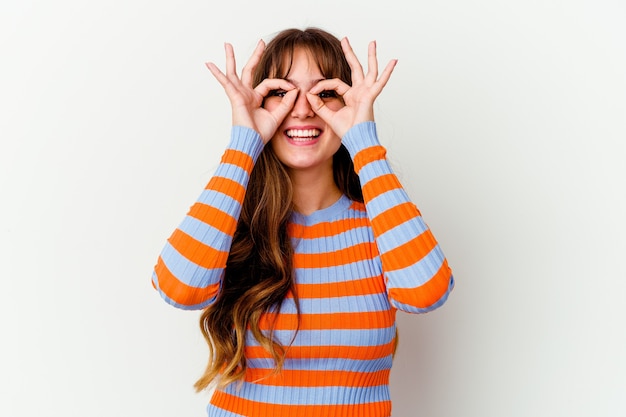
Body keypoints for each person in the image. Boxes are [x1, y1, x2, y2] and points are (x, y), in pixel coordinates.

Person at [152, 27, 454, 417]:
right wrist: (244, 141)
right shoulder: (229, 224)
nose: (302, 109)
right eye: (281, 92)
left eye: (324, 92)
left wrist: (363, 140)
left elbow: (427, 291)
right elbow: (179, 288)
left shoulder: (382, 227)